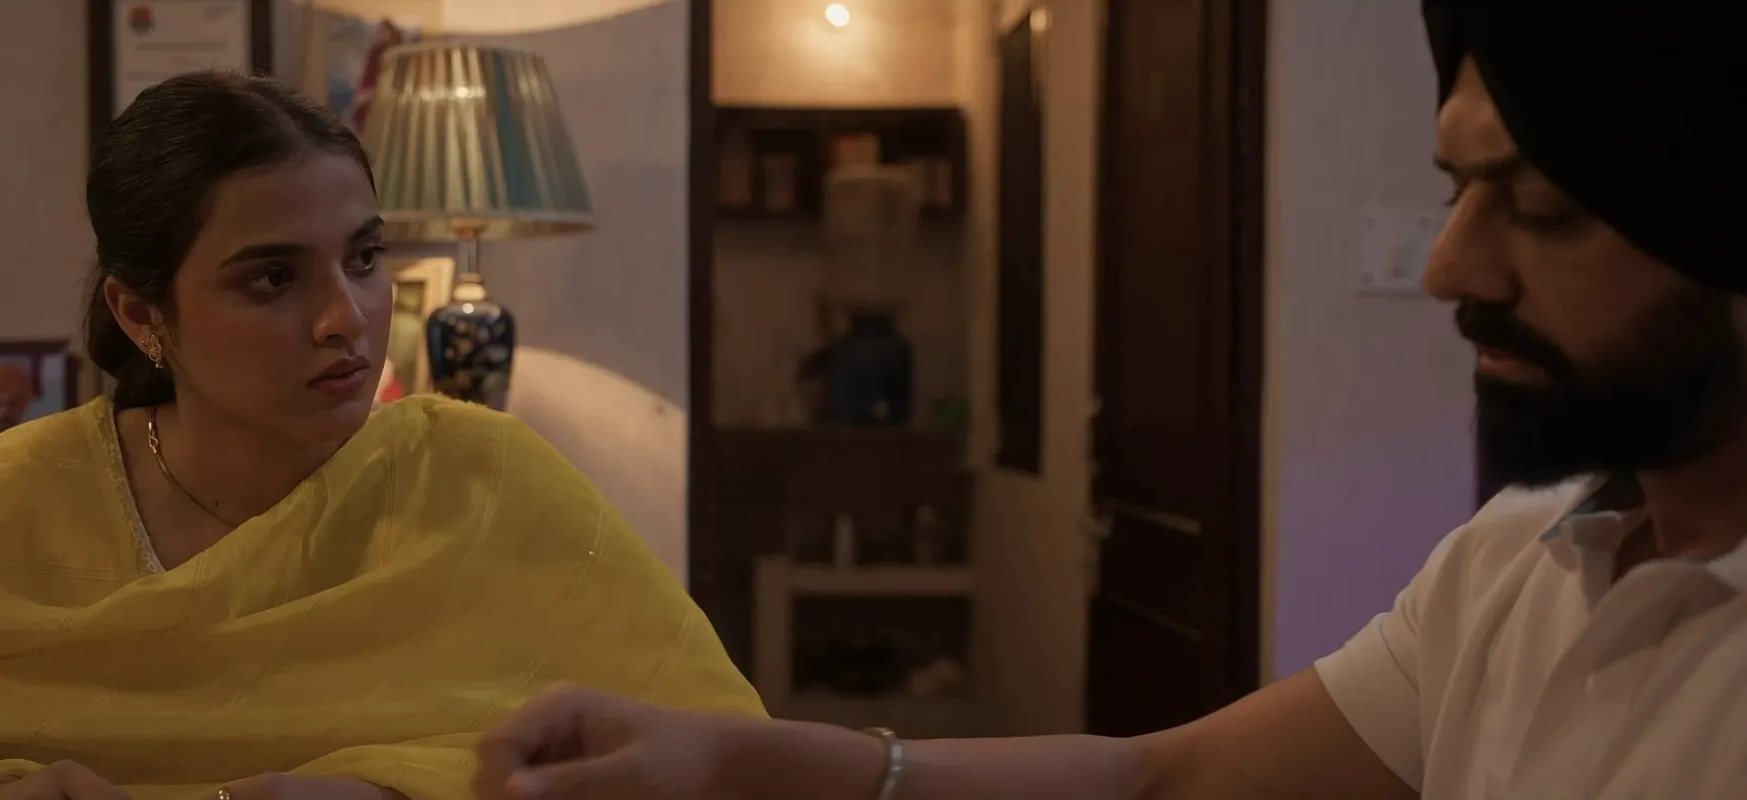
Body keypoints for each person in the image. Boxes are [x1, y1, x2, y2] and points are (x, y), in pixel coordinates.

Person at [472, 1, 1747, 798]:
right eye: (1457, 192)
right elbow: (1157, 774)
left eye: (1538, 207)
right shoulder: (1512, 566)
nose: (1448, 267)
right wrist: (735, 758)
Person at [0, 72, 761, 800]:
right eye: (272, 279)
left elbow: (719, 754)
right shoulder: (19, 497)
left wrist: (393, 791)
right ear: (141, 313)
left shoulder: (485, 482)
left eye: (364, 258)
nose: (346, 318)